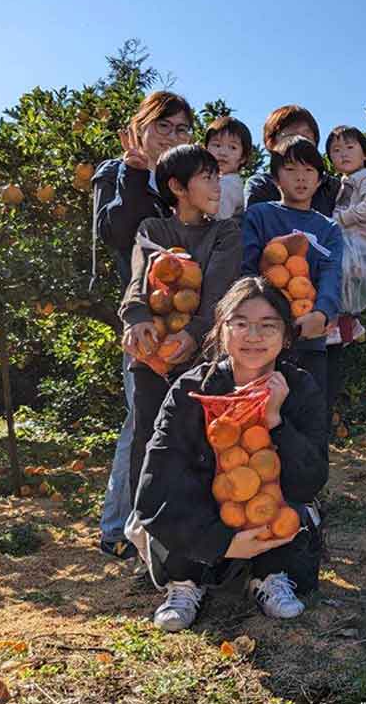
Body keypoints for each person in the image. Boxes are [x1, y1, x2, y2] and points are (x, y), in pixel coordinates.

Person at [133, 276, 328, 631]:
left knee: (281, 498)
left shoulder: (299, 388)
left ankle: (270, 575)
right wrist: (222, 542)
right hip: (200, 525)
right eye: (240, 324)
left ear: (285, 336)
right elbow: (155, 487)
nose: (253, 336)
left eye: (267, 326)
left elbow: (309, 481)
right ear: (222, 331)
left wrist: (275, 421)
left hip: (268, 523)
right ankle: (186, 581)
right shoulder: (192, 390)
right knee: (187, 487)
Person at [92, 90, 194, 560]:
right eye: (162, 127)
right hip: (141, 316)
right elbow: (114, 231)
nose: (171, 137)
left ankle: (159, 521)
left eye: (181, 129)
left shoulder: (184, 179)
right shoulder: (117, 172)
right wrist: (134, 172)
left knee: (170, 418)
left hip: (184, 316)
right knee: (141, 420)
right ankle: (119, 528)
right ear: (141, 127)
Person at [119, 144, 242, 498]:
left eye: (218, 177)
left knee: (198, 444)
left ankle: (192, 534)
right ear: (177, 187)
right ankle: (144, 527)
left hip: (202, 359)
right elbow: (138, 279)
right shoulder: (153, 228)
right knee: (148, 438)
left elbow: (221, 291)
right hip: (153, 355)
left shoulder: (225, 232)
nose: (218, 186)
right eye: (207, 178)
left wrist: (194, 332)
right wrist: (137, 317)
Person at [241, 136, 342, 417]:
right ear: (275, 178)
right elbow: (247, 270)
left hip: (310, 337)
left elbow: (332, 275)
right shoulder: (259, 216)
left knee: (310, 422)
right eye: (291, 170)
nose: (301, 178)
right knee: (260, 421)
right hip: (261, 338)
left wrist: (321, 314)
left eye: (309, 171)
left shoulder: (328, 228)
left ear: (320, 180)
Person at [325, 125, 366, 348]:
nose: (344, 154)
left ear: (365, 153)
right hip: (354, 247)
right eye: (336, 150)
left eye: (350, 147)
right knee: (344, 289)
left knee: (343, 284)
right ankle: (349, 326)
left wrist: (342, 219)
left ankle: (347, 324)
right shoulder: (345, 181)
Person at [243, 105, 340, 216]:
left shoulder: (331, 186)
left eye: (306, 137)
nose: (298, 142)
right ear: (272, 144)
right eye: (291, 136)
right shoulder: (261, 184)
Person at [205, 115, 253, 219]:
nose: (223, 153)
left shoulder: (230, 183)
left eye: (232, 147)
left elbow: (219, 215)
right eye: (217, 145)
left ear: (243, 157)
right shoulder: (215, 179)